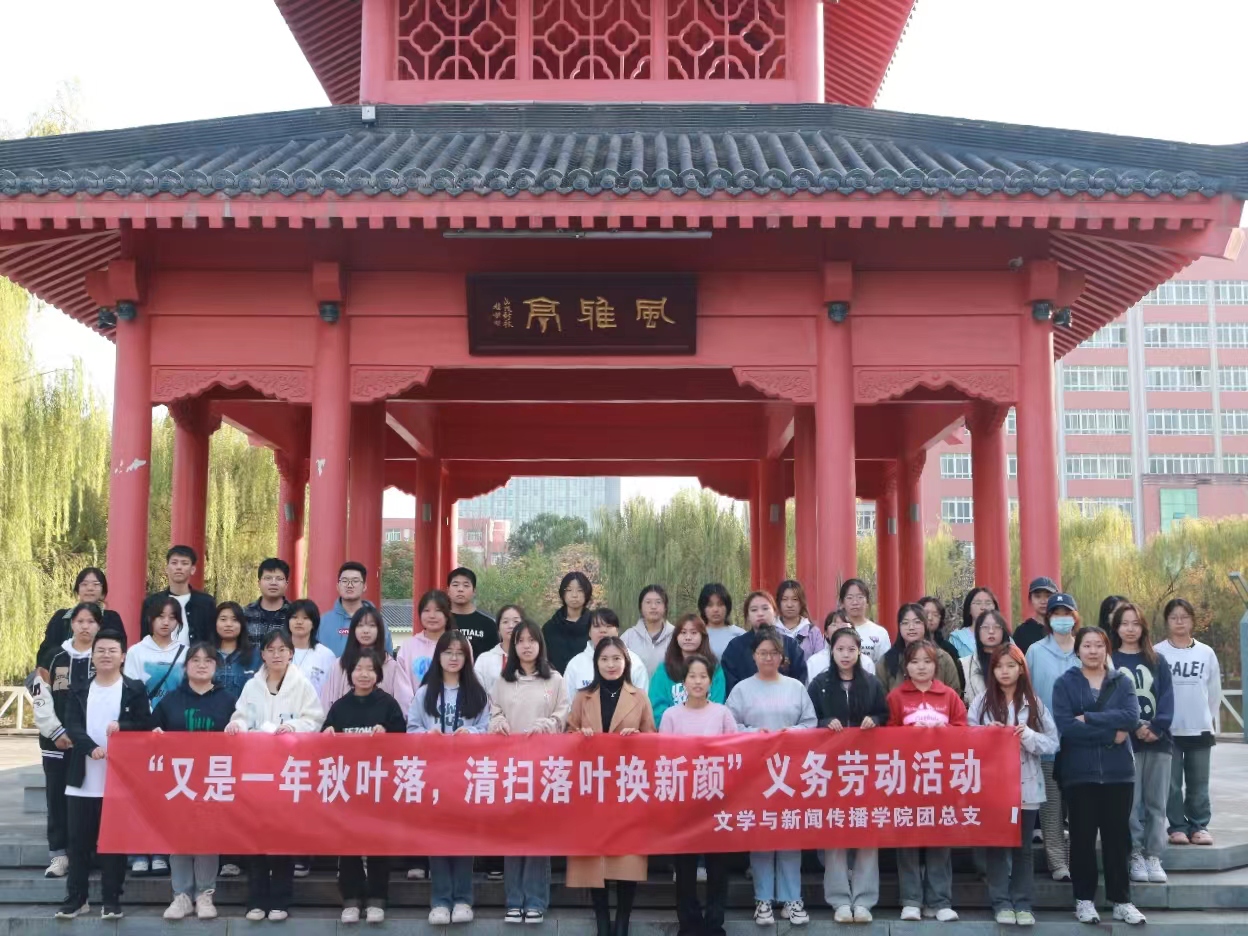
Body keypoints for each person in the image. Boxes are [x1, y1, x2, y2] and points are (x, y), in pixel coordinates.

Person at [227, 629, 325, 921]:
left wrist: (293, 727)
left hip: (287, 771)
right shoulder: (252, 686)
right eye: (271, 650)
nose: (277, 655)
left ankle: (280, 900)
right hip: (257, 771)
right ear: (263, 654)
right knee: (256, 837)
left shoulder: (302, 684)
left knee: (282, 836)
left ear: (291, 653)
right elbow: (241, 716)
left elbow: (315, 719)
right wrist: (236, 726)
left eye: (282, 650)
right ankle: (256, 900)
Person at [55, 629, 152, 921]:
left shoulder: (134, 688)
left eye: (112, 651)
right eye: (100, 650)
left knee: (114, 843)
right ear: (92, 656)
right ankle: (77, 899)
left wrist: (123, 726)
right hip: (82, 780)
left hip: (119, 780)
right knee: (78, 843)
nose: (106, 655)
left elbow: (145, 724)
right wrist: (90, 748)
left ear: (123, 656)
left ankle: (111, 900)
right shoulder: (80, 688)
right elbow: (72, 726)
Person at [1052, 626, 1145, 926]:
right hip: (1080, 773)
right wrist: (1110, 733)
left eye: (1098, 645)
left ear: (1107, 649)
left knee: (1118, 840)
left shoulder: (1122, 682)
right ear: (1077, 650)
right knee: (1082, 839)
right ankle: (1084, 900)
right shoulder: (1065, 683)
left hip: (1118, 774)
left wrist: (1089, 717)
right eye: (1087, 645)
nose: (1093, 651)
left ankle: (1122, 901)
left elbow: (1131, 717)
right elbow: (1067, 726)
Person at [725, 626, 817, 927]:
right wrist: (755, 733)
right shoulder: (741, 689)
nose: (768, 658)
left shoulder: (796, 687)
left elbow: (810, 723)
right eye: (762, 653)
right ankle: (763, 899)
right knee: (761, 835)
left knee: (789, 835)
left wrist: (791, 733)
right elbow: (730, 726)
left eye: (774, 653)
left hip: (791, 773)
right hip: (756, 773)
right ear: (753, 656)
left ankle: (792, 899)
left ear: (782, 657)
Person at [567, 636, 657, 936]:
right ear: (596, 663)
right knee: (595, 858)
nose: (610, 664)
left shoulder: (639, 696)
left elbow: (653, 739)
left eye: (616, 659)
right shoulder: (583, 696)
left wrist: (638, 739)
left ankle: (622, 922)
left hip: (627, 786)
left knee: (627, 857)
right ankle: (603, 922)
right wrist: (580, 736)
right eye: (604, 659)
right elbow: (567, 735)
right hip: (592, 786)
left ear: (626, 662)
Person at [968, 644, 1059, 927]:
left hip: (1026, 786)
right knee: (996, 846)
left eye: (1010, 666)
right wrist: (986, 734)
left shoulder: (1034, 702)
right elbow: (966, 738)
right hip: (993, 786)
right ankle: (1001, 902)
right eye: (998, 666)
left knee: (1023, 848)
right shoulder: (982, 701)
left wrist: (1028, 735)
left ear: (1021, 669)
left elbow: (1052, 742)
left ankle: (1023, 902)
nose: (1004, 672)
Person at [488, 619, 569, 924]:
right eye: (520, 640)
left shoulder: (555, 680)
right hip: (511, 767)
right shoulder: (503, 680)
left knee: (537, 835)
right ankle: (514, 900)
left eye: (531, 640)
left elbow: (564, 713)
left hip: (544, 768)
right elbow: (494, 710)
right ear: (513, 646)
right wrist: (498, 722)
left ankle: (535, 900)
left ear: (540, 644)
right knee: (513, 834)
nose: (526, 646)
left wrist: (549, 724)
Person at [807, 627, 889, 924]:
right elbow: (809, 719)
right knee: (835, 832)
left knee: (867, 832)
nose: (845, 655)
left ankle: (864, 899)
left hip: (865, 768)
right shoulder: (819, 684)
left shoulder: (871, 683)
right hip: (830, 770)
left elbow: (885, 715)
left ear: (859, 652)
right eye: (840, 649)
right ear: (831, 651)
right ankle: (839, 898)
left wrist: (874, 720)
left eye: (851, 650)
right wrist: (825, 722)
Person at [408, 630, 491, 923]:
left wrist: (472, 734)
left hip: (466, 776)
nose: (453, 658)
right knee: (438, 838)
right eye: (448, 652)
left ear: (467, 657)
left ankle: (463, 899)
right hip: (434, 776)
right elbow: (411, 730)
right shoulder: (424, 693)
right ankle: (441, 900)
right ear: (438, 656)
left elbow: (487, 730)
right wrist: (426, 735)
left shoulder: (477, 693)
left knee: (463, 838)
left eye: (459, 653)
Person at [152, 641, 237, 921]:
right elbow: (150, 732)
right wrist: (154, 735)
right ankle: (181, 895)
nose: (201, 665)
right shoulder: (171, 700)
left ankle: (204, 894)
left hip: (213, 779)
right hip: (179, 781)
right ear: (185, 666)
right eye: (195, 660)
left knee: (207, 836)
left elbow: (241, 736)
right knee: (179, 836)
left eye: (208, 660)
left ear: (216, 666)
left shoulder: (228, 700)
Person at [322, 646, 406, 924]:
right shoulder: (340, 706)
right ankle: (350, 898)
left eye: (370, 669)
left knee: (378, 843)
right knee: (348, 843)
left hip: (379, 787)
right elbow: (325, 740)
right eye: (359, 669)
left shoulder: (388, 705)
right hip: (347, 786)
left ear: (379, 674)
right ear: (350, 673)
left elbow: (403, 743)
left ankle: (377, 899)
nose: (364, 674)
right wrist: (327, 734)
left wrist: (388, 735)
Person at [885, 640, 965, 922]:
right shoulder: (896, 697)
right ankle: (911, 900)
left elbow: (963, 731)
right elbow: (885, 735)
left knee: (940, 838)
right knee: (907, 839)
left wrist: (945, 730)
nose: (921, 667)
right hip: (906, 779)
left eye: (927, 661)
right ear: (906, 666)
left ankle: (940, 900)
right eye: (915, 661)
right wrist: (907, 734)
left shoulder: (949, 696)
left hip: (940, 778)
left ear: (936, 665)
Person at [660, 654, 737, 936]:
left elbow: (735, 753)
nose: (697, 681)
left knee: (717, 866)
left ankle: (715, 924)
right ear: (683, 681)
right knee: (685, 867)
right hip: (684, 802)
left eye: (703, 676)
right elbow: (664, 757)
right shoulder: (671, 716)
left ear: (711, 681)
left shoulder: (722, 713)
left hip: (716, 799)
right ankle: (689, 925)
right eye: (692, 676)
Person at [30, 602, 100, 880]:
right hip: (56, 744)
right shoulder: (54, 657)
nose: (85, 627)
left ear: (99, 626)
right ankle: (59, 854)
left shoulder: (105, 656)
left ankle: (88, 852)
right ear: (72, 624)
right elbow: (40, 699)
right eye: (80, 621)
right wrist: (56, 732)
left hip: (92, 745)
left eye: (91, 621)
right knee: (57, 798)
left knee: (91, 800)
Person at [1110, 602, 1174, 884]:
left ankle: (1153, 855)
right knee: (1130, 803)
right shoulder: (1110, 661)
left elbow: (1168, 698)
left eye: (1136, 623)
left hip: (1159, 741)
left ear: (1143, 627)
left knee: (1157, 802)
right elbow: (1110, 701)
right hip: (1127, 743)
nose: (1130, 629)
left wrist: (1157, 727)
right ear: (1116, 628)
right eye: (1124, 623)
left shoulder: (1158, 660)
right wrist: (1134, 726)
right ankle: (1135, 853)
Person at [124, 597, 186, 875]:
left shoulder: (185, 653)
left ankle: (161, 850)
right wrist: (148, 725)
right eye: (160, 616)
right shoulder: (137, 652)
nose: (165, 622)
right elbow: (131, 693)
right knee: (140, 794)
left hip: (174, 734)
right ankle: (138, 851)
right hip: (143, 732)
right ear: (150, 618)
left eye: (172, 617)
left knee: (168, 794)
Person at [1155, 597, 1221, 847]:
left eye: (1184, 617)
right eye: (1174, 617)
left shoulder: (1206, 652)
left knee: (1198, 783)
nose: (1179, 622)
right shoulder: (1158, 652)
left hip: (1199, 727)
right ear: (1167, 621)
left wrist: (1206, 718)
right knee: (1171, 784)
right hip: (1169, 730)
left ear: (1192, 621)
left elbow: (1214, 691)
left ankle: (1199, 826)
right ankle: (1177, 827)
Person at [1025, 592, 1081, 882]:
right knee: (1051, 808)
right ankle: (1058, 863)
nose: (1062, 619)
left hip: (1081, 744)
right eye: (1056, 614)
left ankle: (1079, 860)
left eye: (1066, 613)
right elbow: (1027, 693)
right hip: (1047, 742)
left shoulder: (1086, 648)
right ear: (1049, 619)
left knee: (1081, 807)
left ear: (1075, 617)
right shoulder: (1035, 651)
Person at [320, 606, 411, 714]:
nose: (366, 631)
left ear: (380, 630)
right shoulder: (340, 664)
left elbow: (404, 705)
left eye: (372, 625)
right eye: (360, 625)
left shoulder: (392, 666)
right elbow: (326, 705)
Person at [36, 568, 124, 671]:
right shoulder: (61, 617)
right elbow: (47, 650)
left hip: (100, 672)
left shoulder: (112, 618)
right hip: (62, 671)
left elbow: (118, 649)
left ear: (103, 592)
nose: (90, 588)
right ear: (77, 589)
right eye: (84, 584)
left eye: (96, 584)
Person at [720, 591, 808, 694]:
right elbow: (731, 684)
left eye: (765, 608)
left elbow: (799, 680)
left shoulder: (790, 645)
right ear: (747, 616)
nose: (760, 614)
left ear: (775, 613)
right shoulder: (735, 647)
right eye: (754, 610)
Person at [648, 613, 725, 725]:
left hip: (707, 731)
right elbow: (657, 708)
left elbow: (718, 705)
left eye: (694, 633)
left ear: (702, 636)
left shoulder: (715, 669)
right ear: (676, 636)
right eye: (683, 632)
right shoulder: (664, 670)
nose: (688, 637)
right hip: (672, 731)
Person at [565, 608, 650, 699]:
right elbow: (567, 700)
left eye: (608, 626)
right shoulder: (576, 664)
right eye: (597, 626)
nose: (603, 630)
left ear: (617, 631)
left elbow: (642, 699)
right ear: (589, 632)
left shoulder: (634, 663)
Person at [141, 546, 216, 644]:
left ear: (193, 569)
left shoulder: (206, 603)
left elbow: (211, 640)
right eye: (174, 563)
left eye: (184, 563)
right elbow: (146, 638)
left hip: (195, 653)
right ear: (167, 568)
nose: (179, 567)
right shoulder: (152, 602)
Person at [880, 604, 961, 694]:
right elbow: (880, 697)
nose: (911, 627)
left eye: (917, 622)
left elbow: (954, 693)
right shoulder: (887, 660)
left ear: (925, 625)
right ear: (899, 627)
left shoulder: (942, 658)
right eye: (905, 623)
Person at [318, 562, 391, 656]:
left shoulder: (378, 622)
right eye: (344, 581)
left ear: (364, 586)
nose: (349, 585)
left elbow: (387, 658)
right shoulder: (322, 622)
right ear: (338, 586)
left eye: (355, 581)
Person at [396, 589, 452, 701]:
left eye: (438, 610)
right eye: (426, 610)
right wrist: (414, 710)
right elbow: (401, 688)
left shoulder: (459, 644)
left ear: (447, 615)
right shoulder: (408, 646)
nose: (432, 616)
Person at [543, 571, 594, 674]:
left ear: (587, 593)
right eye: (569, 590)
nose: (574, 595)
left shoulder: (595, 625)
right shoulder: (550, 628)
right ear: (563, 594)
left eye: (580, 590)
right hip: (557, 681)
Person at [619, 584, 675, 676]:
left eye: (658, 602)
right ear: (640, 607)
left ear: (665, 607)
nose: (653, 606)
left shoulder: (676, 635)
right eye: (648, 602)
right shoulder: (628, 637)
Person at [807, 610, 877, 683]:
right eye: (834, 625)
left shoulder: (866, 663)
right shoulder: (814, 662)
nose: (839, 628)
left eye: (844, 624)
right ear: (826, 633)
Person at [447, 566, 500, 660]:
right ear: (448, 590)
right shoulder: (441, 621)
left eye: (466, 585)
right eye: (455, 585)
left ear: (474, 591)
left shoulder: (488, 624)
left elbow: (495, 658)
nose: (460, 589)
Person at [960, 609, 1012, 704]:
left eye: (996, 627)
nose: (991, 631)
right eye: (985, 627)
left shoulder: (1014, 663)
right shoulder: (964, 665)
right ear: (977, 631)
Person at [288, 599, 336, 693]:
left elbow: (333, 690)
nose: (299, 622)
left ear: (314, 623)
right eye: (294, 617)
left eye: (305, 618)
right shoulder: (278, 652)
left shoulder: (326, 655)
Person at [839, 579, 889, 667]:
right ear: (842, 603)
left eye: (860, 597)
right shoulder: (836, 629)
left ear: (867, 602)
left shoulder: (880, 632)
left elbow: (885, 666)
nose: (855, 602)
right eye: (849, 598)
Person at [212, 602, 258, 696]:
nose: (229, 624)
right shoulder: (205, 654)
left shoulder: (255, 654)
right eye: (223, 619)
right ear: (215, 623)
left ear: (242, 624)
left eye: (235, 620)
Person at [476, 604, 521, 696]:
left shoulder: (531, 658)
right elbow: (477, 694)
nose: (511, 626)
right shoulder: (484, 659)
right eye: (505, 622)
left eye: (516, 621)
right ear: (498, 628)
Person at [243, 557, 293, 642]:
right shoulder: (245, 614)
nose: (273, 583)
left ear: (286, 584)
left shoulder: (294, 614)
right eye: (268, 578)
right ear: (259, 583)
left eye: (279, 579)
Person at [775, 579, 825, 660]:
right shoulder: (770, 630)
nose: (789, 605)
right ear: (778, 602)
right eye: (784, 599)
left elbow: (820, 662)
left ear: (801, 602)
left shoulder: (813, 632)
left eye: (795, 599)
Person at [1013, 577, 1058, 655]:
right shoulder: (1022, 631)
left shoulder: (1064, 627)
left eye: (1048, 596)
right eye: (1038, 596)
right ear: (1030, 600)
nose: (1043, 601)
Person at [698, 583, 743, 659]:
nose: (715, 609)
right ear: (703, 608)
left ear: (727, 607)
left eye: (720, 604)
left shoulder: (739, 634)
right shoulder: (696, 634)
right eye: (710, 605)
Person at [951, 587, 998, 658]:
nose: (983, 607)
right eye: (978, 603)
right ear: (969, 609)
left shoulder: (1004, 637)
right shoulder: (956, 639)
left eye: (988, 603)